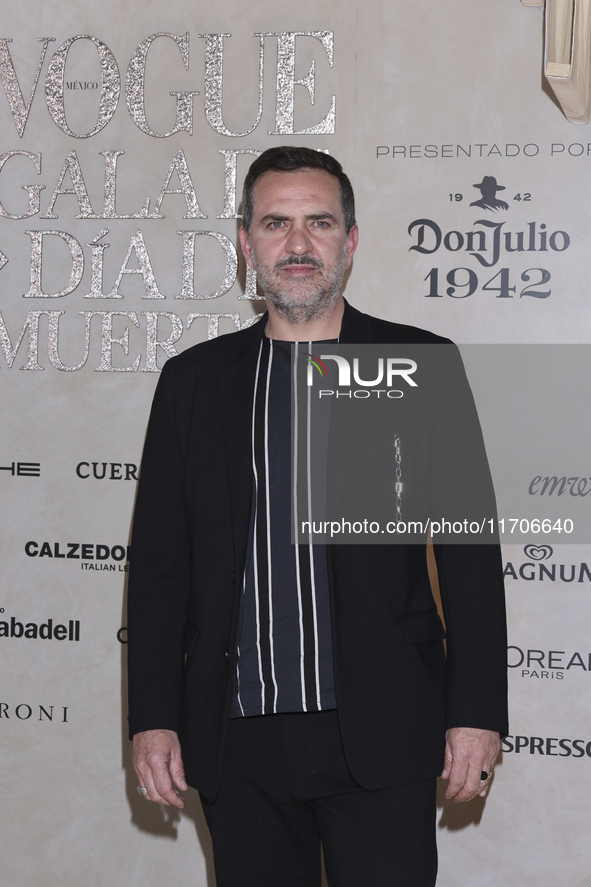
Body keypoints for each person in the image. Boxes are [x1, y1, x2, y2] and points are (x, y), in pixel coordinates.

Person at [128, 146, 508, 887]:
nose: (297, 244)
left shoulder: (417, 363)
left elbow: (468, 552)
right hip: (237, 743)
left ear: (350, 240)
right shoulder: (193, 382)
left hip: (384, 731)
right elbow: (159, 567)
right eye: (276, 223)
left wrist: (476, 712)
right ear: (246, 242)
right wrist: (152, 717)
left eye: (318, 222)